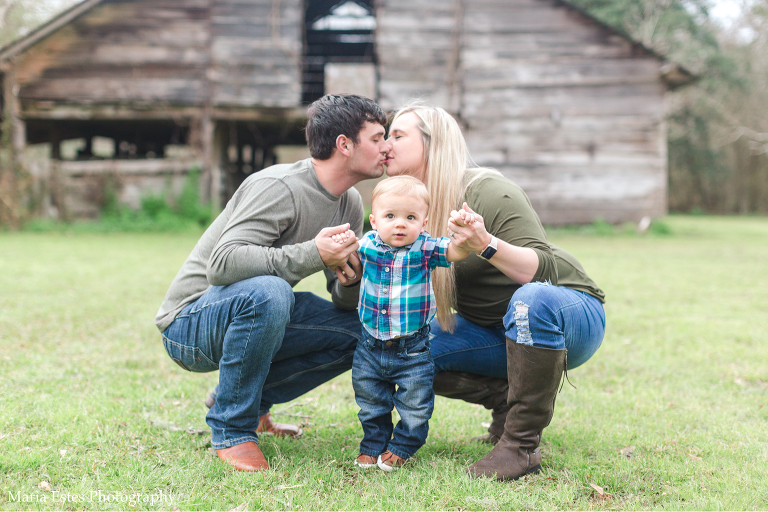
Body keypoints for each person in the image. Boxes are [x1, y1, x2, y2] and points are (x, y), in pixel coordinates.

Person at [154, 94, 388, 472]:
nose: (387, 147)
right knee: (271, 291)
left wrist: (353, 278)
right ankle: (232, 428)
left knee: (363, 329)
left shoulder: (349, 204)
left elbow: (345, 302)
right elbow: (223, 265)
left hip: (254, 310)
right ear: (344, 145)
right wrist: (315, 254)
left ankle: (250, 403)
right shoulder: (279, 186)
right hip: (189, 324)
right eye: (377, 138)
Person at [383, 104, 606, 481]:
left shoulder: (489, 191)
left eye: (397, 135)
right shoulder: (403, 213)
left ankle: (520, 446)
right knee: (404, 347)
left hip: (566, 313)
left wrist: (486, 243)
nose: (385, 144)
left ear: (433, 144)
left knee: (530, 300)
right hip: (497, 332)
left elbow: (544, 269)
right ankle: (505, 401)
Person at [334, 176, 472, 471]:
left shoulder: (425, 248)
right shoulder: (368, 245)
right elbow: (345, 255)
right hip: (370, 345)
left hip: (412, 349)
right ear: (374, 221)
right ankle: (373, 444)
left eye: (410, 217)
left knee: (415, 406)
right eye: (390, 216)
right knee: (371, 402)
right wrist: (340, 244)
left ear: (423, 223)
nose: (400, 224)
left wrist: (465, 239)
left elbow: (455, 252)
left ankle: (403, 445)